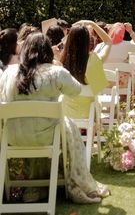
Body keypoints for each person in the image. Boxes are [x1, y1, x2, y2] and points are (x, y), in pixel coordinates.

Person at [0, 32, 109, 204]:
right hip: (47, 137)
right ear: (47, 51)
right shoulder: (55, 72)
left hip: (13, 137)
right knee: (66, 125)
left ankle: (34, 187)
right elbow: (76, 90)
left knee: (56, 125)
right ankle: (74, 182)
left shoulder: (8, 73)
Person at [61, 20, 112, 119]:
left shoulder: (61, 60)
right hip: (89, 115)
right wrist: (93, 24)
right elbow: (108, 42)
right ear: (87, 41)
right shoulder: (94, 59)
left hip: (66, 116)